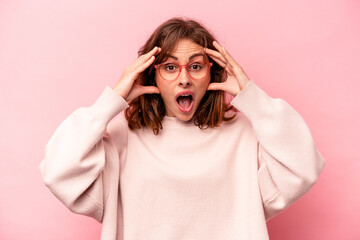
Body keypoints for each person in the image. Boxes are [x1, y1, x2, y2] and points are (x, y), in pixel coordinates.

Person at [40, 17, 325, 240]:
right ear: (151, 74)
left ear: (211, 73)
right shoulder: (121, 137)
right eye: (170, 67)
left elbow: (304, 168)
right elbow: (57, 172)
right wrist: (110, 101)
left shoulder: (244, 134)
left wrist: (253, 98)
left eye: (196, 66)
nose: (184, 79)